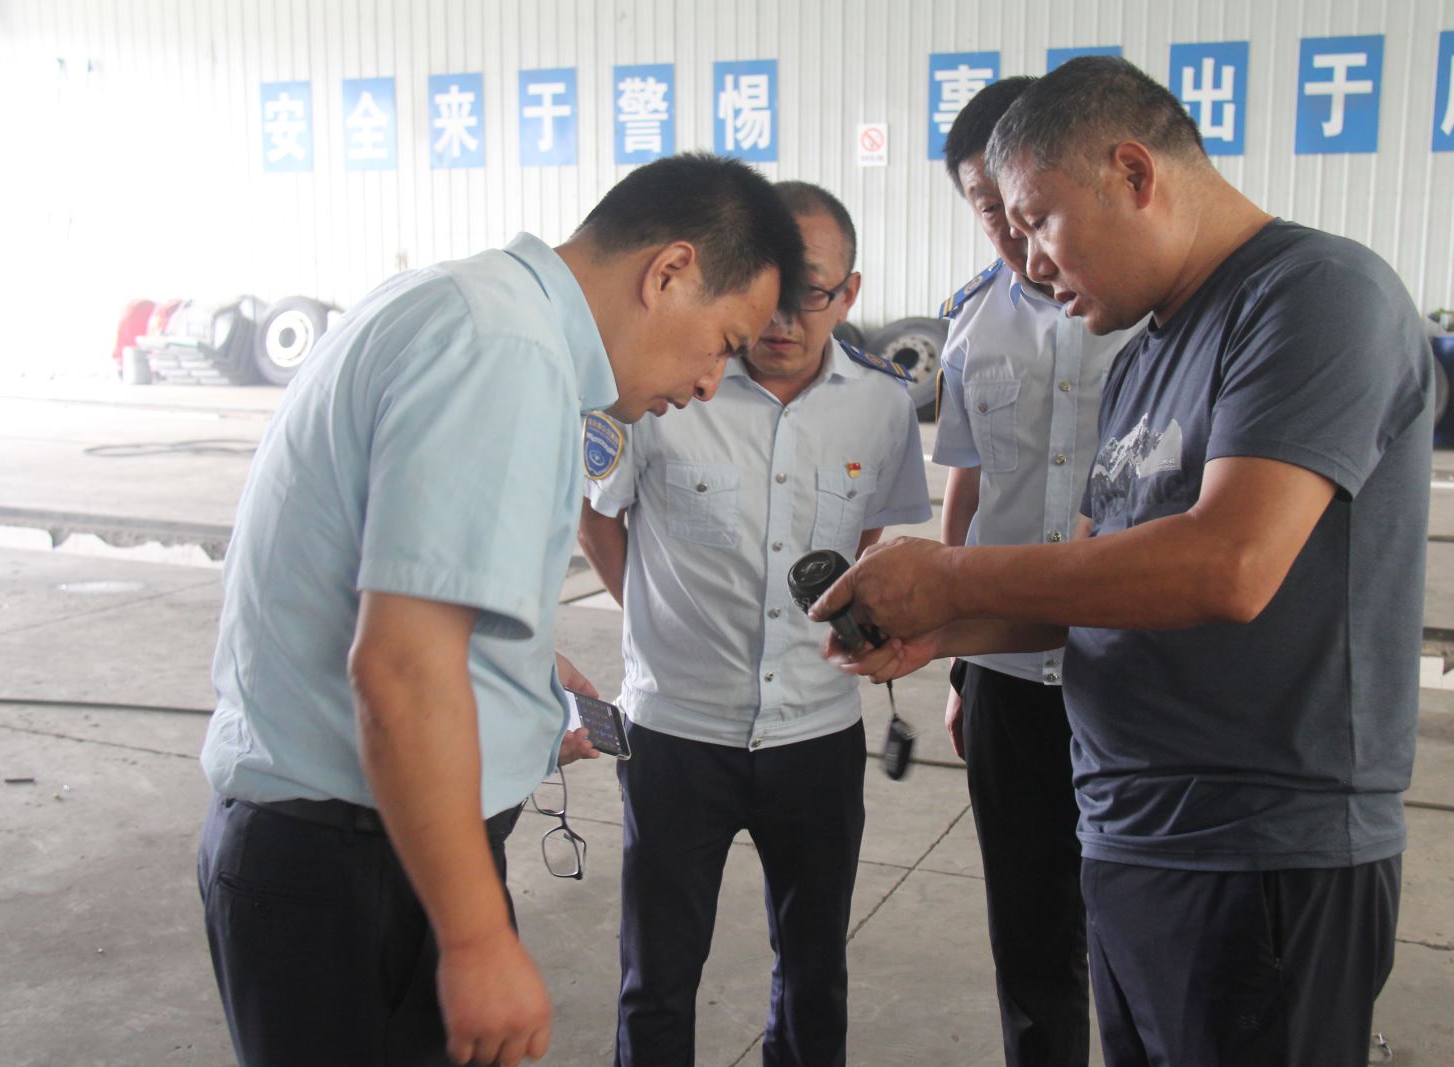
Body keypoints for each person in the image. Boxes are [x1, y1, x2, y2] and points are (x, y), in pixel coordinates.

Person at [811, 57, 1431, 1067]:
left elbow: (1227, 563)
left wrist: (954, 575)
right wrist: (946, 632)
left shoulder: (1314, 296)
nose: (1026, 258)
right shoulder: (1146, 354)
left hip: (1257, 849)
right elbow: (1097, 578)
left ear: (1133, 173)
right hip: (1130, 831)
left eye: (1037, 221)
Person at [196, 153, 807, 1067]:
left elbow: (397, 591)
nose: (713, 382)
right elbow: (402, 667)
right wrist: (477, 938)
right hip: (354, 859)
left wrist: (516, 674)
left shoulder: (461, 305)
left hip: (331, 845)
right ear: (670, 272)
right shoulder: (507, 353)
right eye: (724, 342)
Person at [578, 181, 932, 1067]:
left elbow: (869, 544)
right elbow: (599, 517)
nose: (783, 320)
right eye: (770, 292)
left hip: (816, 733)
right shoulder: (672, 380)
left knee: (814, 974)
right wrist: (657, 622)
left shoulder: (882, 406)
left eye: (812, 294)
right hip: (676, 733)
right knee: (656, 976)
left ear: (849, 294)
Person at [934, 76, 1138, 1067]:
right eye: (990, 211)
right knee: (1027, 927)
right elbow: (968, 493)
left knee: (1137, 921)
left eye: (1028, 208)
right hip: (1008, 674)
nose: (1015, 233)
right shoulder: (971, 326)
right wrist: (958, 658)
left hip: (1130, 667)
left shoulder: (1149, 314)